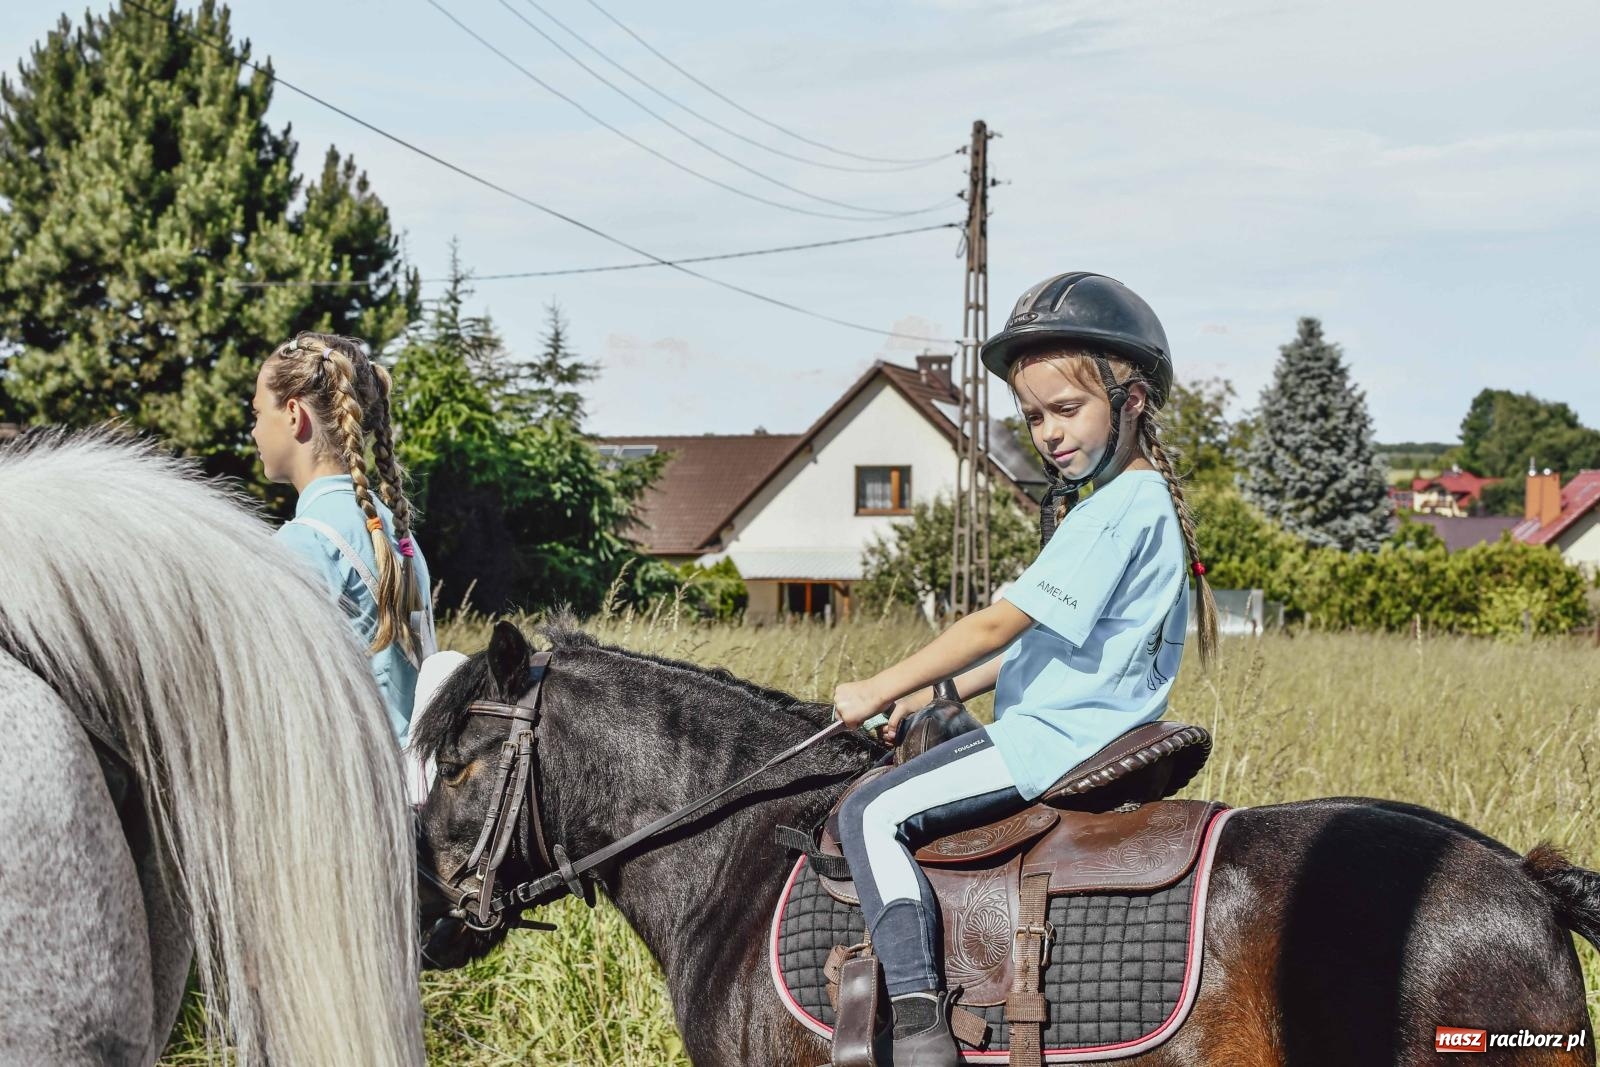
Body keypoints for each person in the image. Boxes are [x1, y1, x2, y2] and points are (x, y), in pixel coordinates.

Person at [830, 272, 1219, 1066]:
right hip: (1081, 723)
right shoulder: (1133, 503)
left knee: (868, 813)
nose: (1049, 432)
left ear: (1132, 399)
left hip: (1052, 739)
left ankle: (916, 1021)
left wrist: (874, 684)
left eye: (1068, 410)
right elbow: (1038, 649)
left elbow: (999, 623)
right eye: (1035, 415)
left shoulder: (1112, 510)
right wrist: (921, 693)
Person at [250, 330, 436, 742]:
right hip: (415, 786)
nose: (254, 432)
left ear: (295, 415)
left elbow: (274, 698)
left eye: (258, 414)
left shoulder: (304, 543)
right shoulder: (393, 527)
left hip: (354, 786)